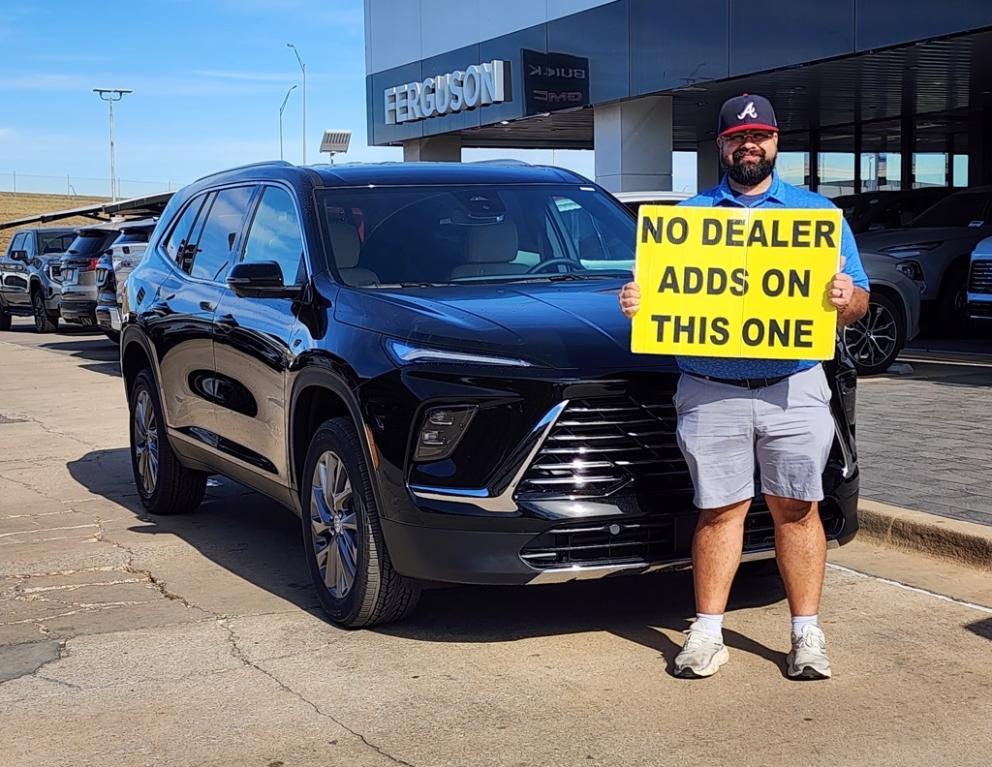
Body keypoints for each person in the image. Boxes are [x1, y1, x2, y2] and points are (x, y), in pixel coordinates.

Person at [618, 94, 869, 680]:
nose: (749, 144)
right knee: (717, 511)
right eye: (738, 136)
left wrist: (846, 301)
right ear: (721, 146)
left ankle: (807, 634)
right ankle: (707, 632)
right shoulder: (688, 219)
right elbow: (654, 295)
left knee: (799, 509)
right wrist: (636, 301)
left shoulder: (817, 216)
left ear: (775, 142)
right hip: (710, 389)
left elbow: (859, 299)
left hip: (794, 385)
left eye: (760, 135)